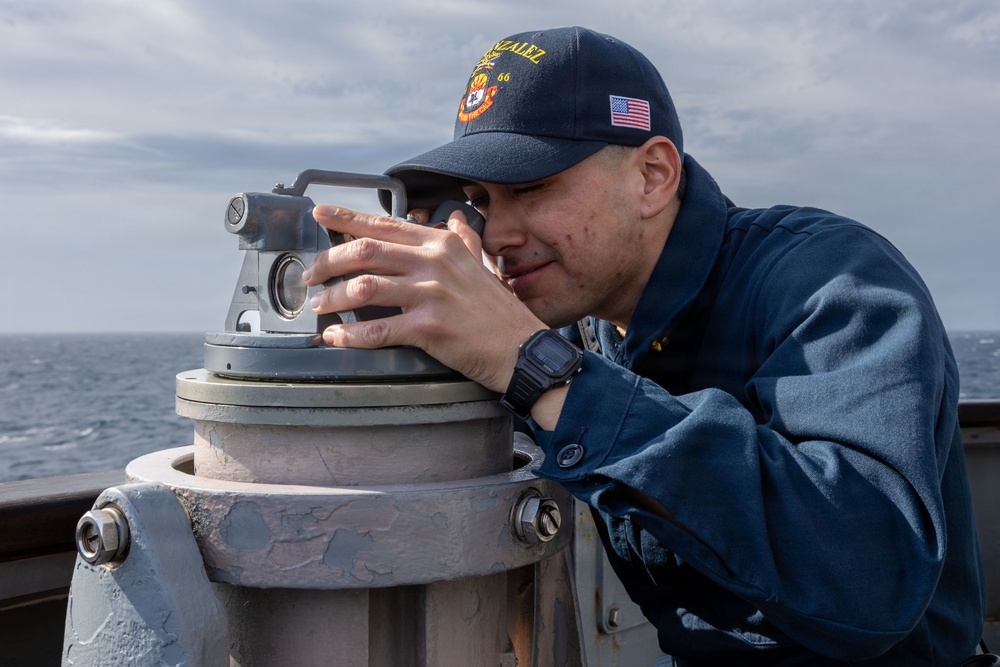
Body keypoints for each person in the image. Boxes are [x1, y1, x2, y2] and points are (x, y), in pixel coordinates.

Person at [302, 26, 985, 665]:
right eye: (481, 201)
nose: (497, 234)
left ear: (653, 176)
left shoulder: (830, 280)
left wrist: (539, 370)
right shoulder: (574, 328)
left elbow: (871, 574)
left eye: (531, 188)